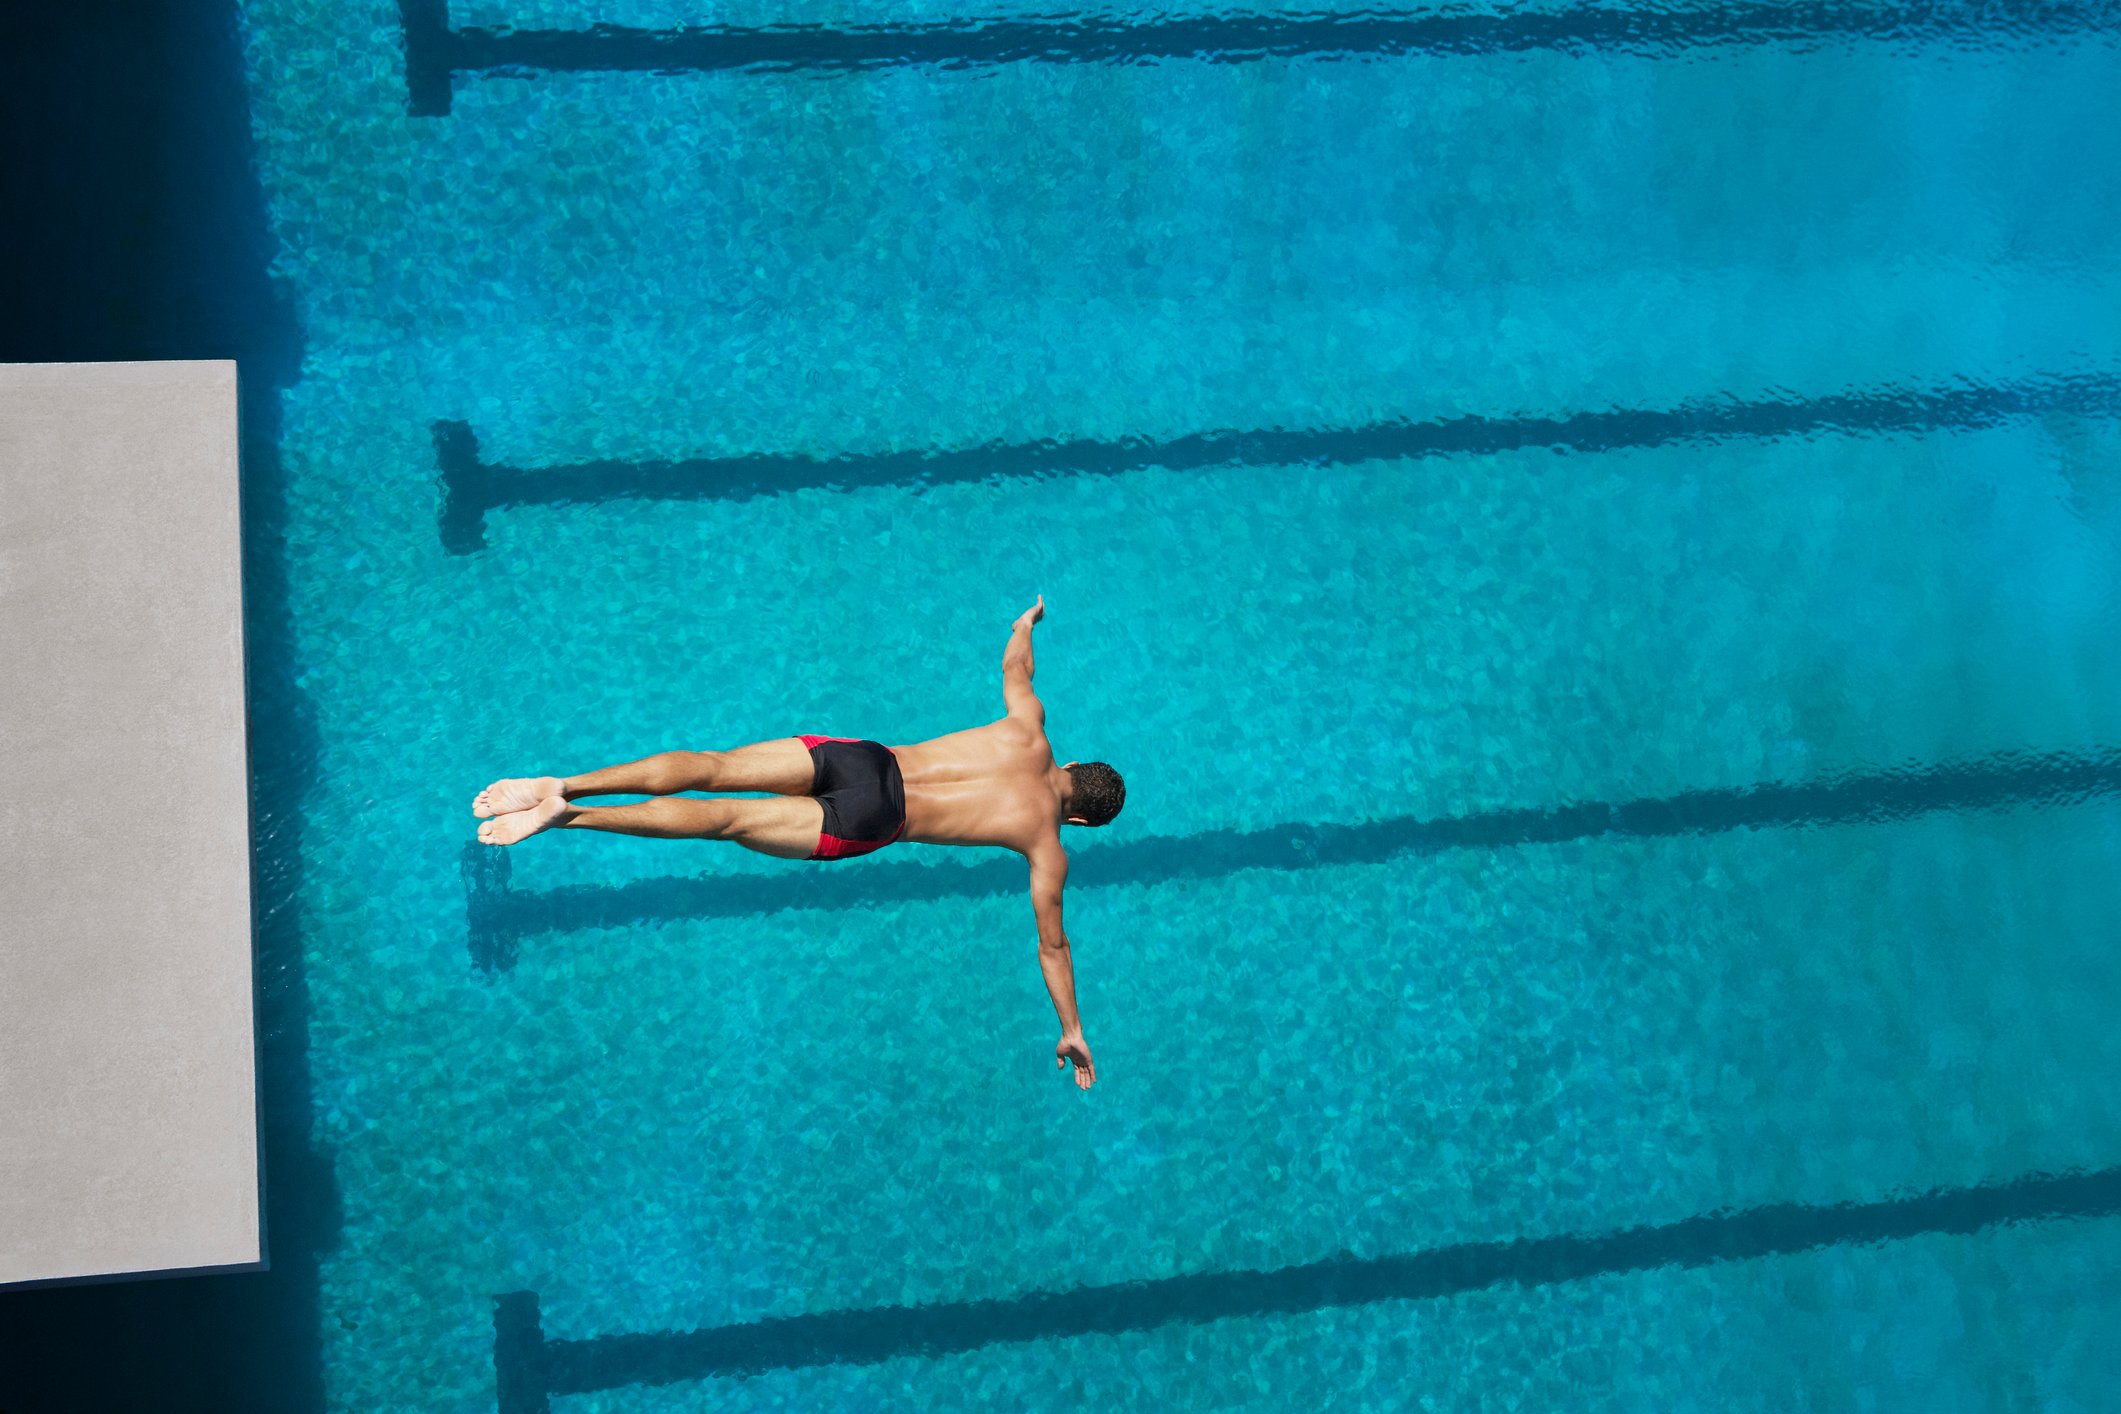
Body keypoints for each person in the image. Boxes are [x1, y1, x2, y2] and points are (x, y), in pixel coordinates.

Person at [472, 596, 1123, 1088]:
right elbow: (1053, 947)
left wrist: (1025, 623)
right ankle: (566, 819)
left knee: (712, 766)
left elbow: (1017, 670)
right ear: (1084, 820)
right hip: (873, 821)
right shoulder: (1048, 845)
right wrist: (1071, 1028)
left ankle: (564, 783)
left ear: (1071, 768)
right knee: (723, 819)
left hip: (866, 761)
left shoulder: (1030, 728)